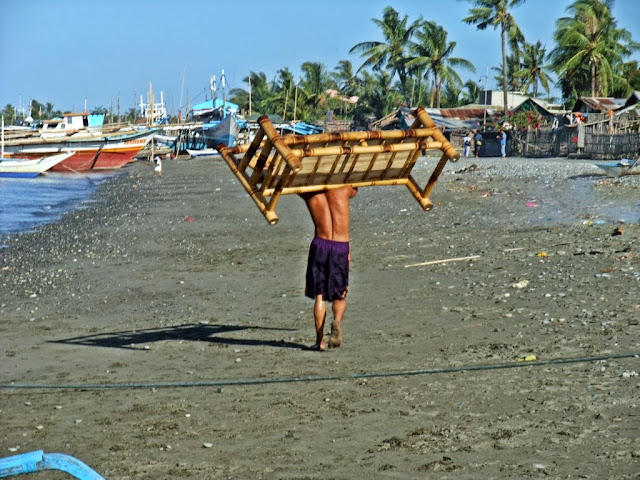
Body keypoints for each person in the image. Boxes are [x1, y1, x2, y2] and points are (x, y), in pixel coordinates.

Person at [300, 186, 358, 351]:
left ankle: (320, 341)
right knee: (340, 293)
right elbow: (356, 190)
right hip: (341, 245)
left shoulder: (308, 192)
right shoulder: (344, 189)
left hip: (321, 244)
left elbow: (290, 188)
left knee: (320, 294)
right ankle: (337, 323)